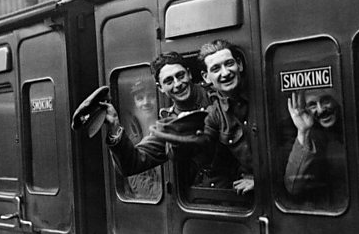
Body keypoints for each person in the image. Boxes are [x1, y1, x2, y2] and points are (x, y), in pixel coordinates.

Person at [101, 52, 214, 189]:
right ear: (160, 88)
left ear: (189, 74)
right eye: (168, 81)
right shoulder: (170, 124)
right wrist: (114, 127)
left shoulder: (215, 97)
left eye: (180, 76)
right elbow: (132, 164)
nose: (177, 84)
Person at [197, 39, 254, 195]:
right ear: (206, 77)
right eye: (216, 68)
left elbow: (285, 146)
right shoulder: (214, 114)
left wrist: (260, 179)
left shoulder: (263, 97)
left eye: (229, 64)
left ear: (239, 65)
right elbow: (209, 157)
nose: (225, 73)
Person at [284, 88, 346, 209]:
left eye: (326, 100)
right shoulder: (311, 138)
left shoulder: (354, 125)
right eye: (312, 105)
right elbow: (293, 186)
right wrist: (303, 132)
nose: (320, 110)